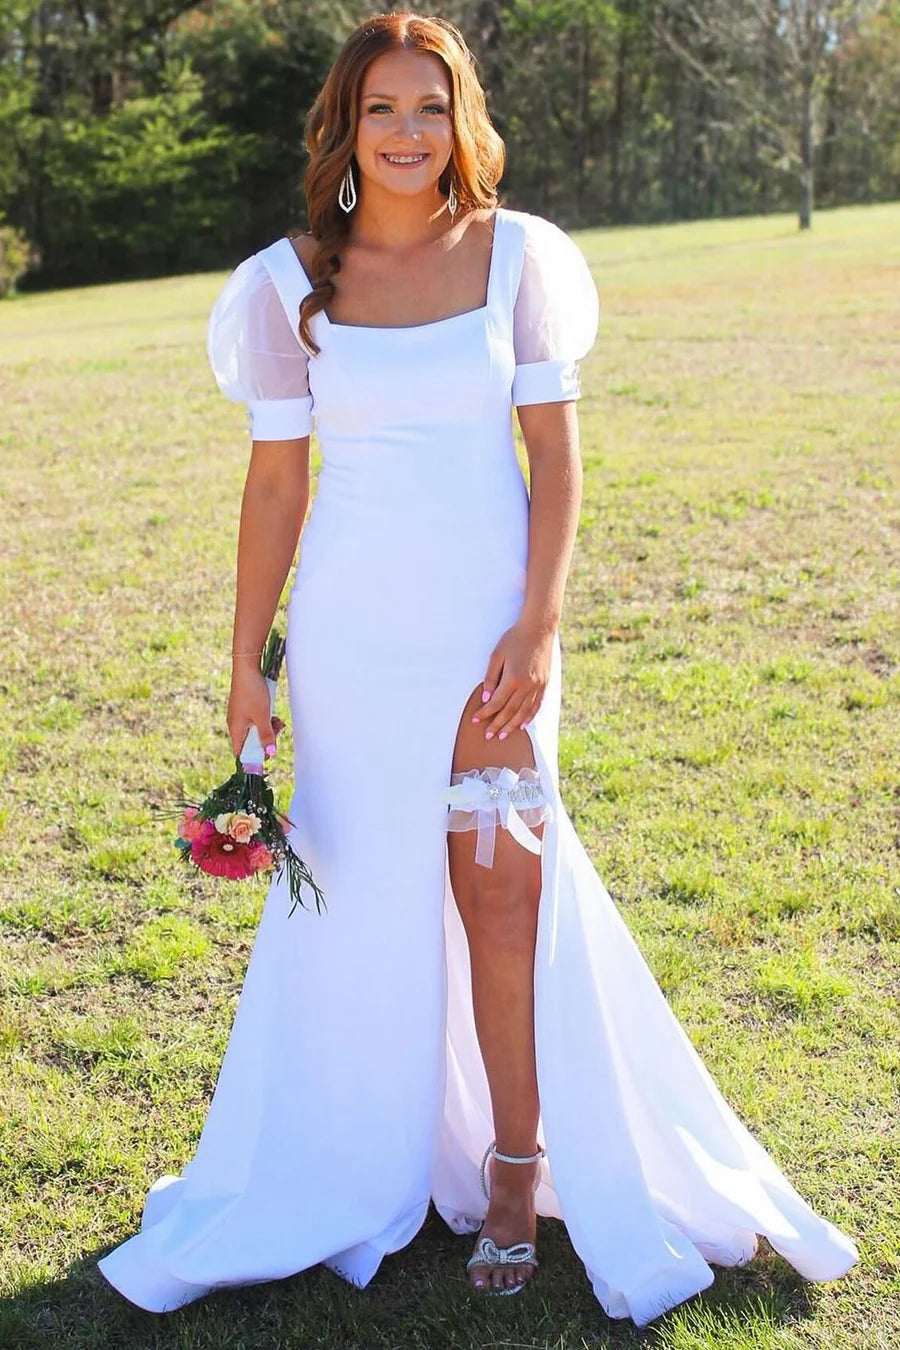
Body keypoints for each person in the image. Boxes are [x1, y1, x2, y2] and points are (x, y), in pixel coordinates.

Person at [97, 10, 859, 1325]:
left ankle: (517, 1168)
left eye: (430, 107)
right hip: (352, 637)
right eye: (382, 110)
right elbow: (276, 485)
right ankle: (362, 1157)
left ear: (463, 122)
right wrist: (246, 665)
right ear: (345, 128)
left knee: (505, 895)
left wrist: (539, 624)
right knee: (366, 898)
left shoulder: (521, 258)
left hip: (493, 633)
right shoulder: (289, 285)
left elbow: (555, 459)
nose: (407, 133)